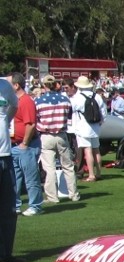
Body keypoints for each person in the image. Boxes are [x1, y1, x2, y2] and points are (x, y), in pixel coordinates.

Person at [34, 74, 79, 205]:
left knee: (49, 168)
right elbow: (69, 116)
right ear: (55, 84)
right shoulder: (65, 100)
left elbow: (36, 119)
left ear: (43, 85)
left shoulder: (38, 101)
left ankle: (53, 197)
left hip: (46, 135)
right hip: (61, 135)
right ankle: (74, 194)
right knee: (68, 166)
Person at [8, 73, 43, 216]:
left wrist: (24, 143)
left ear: (16, 85)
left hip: (26, 145)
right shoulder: (14, 101)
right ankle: (16, 205)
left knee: (31, 177)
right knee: (14, 179)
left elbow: (30, 124)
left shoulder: (26, 101)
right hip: (14, 144)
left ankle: (35, 205)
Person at [0, 75, 21, 262]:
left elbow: (12, 109)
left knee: (9, 208)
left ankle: (7, 252)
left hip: (5, 154)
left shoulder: (5, 86)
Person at [70, 75, 106, 182]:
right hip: (95, 127)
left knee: (87, 151)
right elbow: (103, 113)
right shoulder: (97, 96)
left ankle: (91, 175)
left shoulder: (77, 98)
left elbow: (71, 111)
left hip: (83, 127)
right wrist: (100, 123)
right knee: (96, 150)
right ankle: (98, 173)